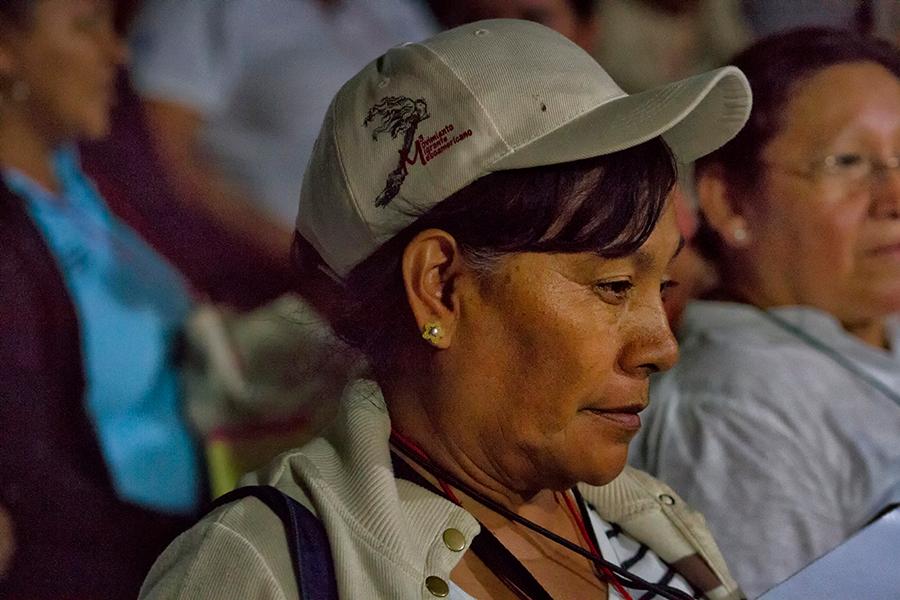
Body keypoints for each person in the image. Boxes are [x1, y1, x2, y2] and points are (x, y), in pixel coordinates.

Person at [139, 19, 752, 600]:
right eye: (615, 286)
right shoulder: (263, 571)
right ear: (439, 286)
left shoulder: (656, 522)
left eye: (663, 286)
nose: (662, 348)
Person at [630, 28, 900, 598]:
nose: (893, 197)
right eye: (848, 161)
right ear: (729, 201)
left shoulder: (873, 329)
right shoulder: (742, 409)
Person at [126, 0, 599, 286]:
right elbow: (166, 168)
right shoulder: (204, 9)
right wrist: (312, 267)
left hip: (417, 278)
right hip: (275, 294)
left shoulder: (397, 13)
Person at [0, 1, 205, 596]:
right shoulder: (10, 237)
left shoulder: (85, 177)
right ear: (5, 51)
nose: (118, 53)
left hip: (178, 532)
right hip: (106, 565)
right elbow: (32, 484)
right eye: (87, 26)